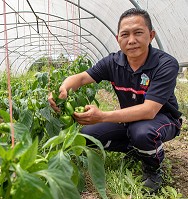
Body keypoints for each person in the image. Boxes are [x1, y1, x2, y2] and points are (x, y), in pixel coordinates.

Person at [48, 8, 182, 193]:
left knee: (141, 132)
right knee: (88, 135)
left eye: (138, 33)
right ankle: (136, 150)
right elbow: (80, 79)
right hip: (129, 120)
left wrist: (102, 116)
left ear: (151, 36)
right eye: (125, 34)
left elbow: (149, 110)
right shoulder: (113, 62)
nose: (131, 40)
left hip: (162, 119)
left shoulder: (165, 64)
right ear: (118, 38)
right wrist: (62, 90)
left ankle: (152, 169)